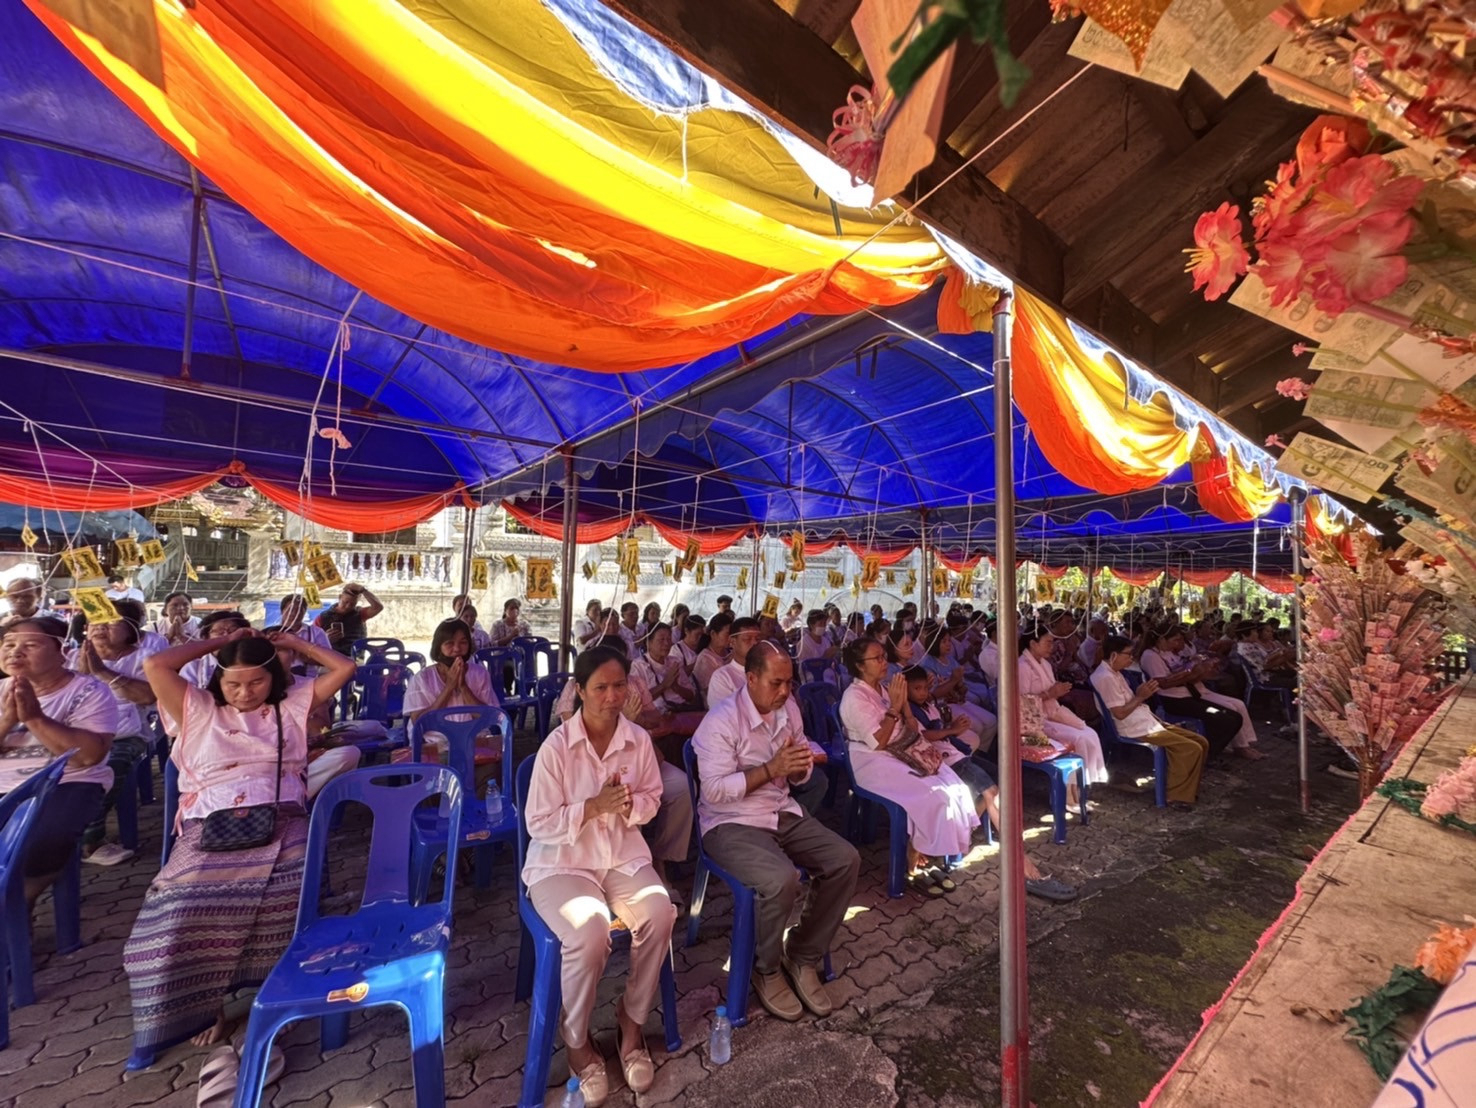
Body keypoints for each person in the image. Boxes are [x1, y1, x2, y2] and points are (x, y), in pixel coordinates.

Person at [127, 627, 356, 1055]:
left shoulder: (289, 708)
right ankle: (202, 1000)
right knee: (183, 899)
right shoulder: (196, 707)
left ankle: (275, 990)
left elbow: (344, 666)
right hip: (209, 826)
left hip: (280, 819)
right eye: (233, 682)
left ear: (273, 678)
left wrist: (289, 646)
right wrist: (222, 644)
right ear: (218, 679)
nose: (244, 692)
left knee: (291, 887)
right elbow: (156, 664)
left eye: (256, 681)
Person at [522, 646, 676, 1104]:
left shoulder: (638, 740)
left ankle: (632, 1023)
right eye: (600, 688)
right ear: (580, 691)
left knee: (660, 913)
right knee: (589, 932)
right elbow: (538, 822)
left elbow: (652, 797)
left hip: (621, 856)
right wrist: (591, 808)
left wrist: (631, 806)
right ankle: (577, 1042)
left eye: (619, 686)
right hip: (562, 862)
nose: (611, 697)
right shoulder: (556, 747)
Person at [692, 642, 859, 1019]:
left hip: (780, 810)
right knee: (781, 879)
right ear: (751, 679)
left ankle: (802, 954)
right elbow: (715, 791)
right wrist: (770, 769)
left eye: (789, 683)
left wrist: (799, 768)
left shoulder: (789, 710)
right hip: (728, 821)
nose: (785, 691)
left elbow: (800, 772)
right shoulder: (721, 720)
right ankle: (764, 968)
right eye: (776, 683)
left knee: (844, 860)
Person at [901, 667, 1075, 901]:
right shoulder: (908, 712)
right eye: (916, 689)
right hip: (947, 762)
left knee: (1000, 780)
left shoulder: (928, 705)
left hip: (957, 755)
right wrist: (952, 730)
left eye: (925, 687)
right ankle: (1023, 867)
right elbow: (924, 737)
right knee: (992, 792)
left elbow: (939, 726)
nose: (923, 692)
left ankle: (959, 836)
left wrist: (953, 726)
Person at [838, 639, 980, 896]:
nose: (884, 663)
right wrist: (894, 707)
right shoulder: (853, 698)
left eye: (884, 656)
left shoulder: (882, 688)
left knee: (954, 784)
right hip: (871, 760)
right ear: (860, 666)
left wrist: (904, 705)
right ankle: (913, 857)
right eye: (877, 659)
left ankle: (926, 849)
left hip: (901, 749)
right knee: (934, 793)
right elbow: (879, 742)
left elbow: (913, 729)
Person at [0, 616, 117, 910]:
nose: (15, 652)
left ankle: (20, 902)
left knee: (41, 839)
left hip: (68, 782)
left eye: (31, 645)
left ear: (61, 651)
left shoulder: (89, 691)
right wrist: (6, 722)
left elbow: (90, 756)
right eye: (9, 644)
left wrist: (35, 719)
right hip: (5, 783)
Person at [71, 599, 160, 865]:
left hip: (126, 733)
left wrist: (101, 671)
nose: (100, 628)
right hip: (74, 732)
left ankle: (90, 840)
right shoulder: (68, 656)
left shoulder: (146, 658)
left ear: (131, 628)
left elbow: (147, 697)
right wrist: (81, 674)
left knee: (109, 765)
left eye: (110, 621)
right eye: (94, 622)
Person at [1092, 636, 1209, 809]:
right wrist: (1140, 696)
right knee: (1190, 748)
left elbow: (1127, 702)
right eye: (1128, 655)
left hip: (1144, 721)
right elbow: (1120, 713)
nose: (1131, 659)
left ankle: (1186, 788)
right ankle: (1174, 795)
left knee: (1201, 742)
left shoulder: (1115, 673)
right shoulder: (1105, 677)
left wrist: (1139, 693)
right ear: (1114, 655)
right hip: (1133, 728)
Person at [1017, 624, 1107, 808]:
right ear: (1033, 643)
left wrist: (1057, 692)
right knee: (1078, 740)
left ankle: (1080, 791)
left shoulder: (1045, 664)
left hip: (1051, 714)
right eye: (1048, 642)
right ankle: (1068, 796)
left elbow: (1048, 692)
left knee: (1090, 733)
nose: (1052, 647)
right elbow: (1020, 702)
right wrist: (1050, 694)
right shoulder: (1022, 666)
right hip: (1032, 726)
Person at [1140, 627, 1257, 759]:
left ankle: (1216, 749)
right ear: (1161, 639)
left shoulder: (1171, 652)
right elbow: (1163, 684)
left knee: (1235, 712)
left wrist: (1203, 670)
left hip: (1189, 695)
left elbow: (1187, 674)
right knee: (1228, 718)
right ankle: (1207, 753)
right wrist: (1191, 673)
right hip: (1174, 700)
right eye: (1176, 640)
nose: (1179, 643)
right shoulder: (1150, 655)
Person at [405, 618, 500, 722]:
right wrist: (449, 687)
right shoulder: (421, 679)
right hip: (434, 738)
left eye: (463, 642)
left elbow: (489, 717)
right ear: (439, 647)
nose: (457, 649)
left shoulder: (480, 674)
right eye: (450, 643)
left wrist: (463, 687)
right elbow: (418, 722)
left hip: (475, 736)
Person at [632, 623, 702, 712]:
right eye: (661, 640)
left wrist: (676, 687)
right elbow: (637, 701)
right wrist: (664, 685)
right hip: (657, 715)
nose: (666, 643)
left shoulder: (674, 662)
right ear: (649, 642)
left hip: (682, 711)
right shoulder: (638, 666)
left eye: (669, 639)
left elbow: (691, 696)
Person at [705, 616, 762, 706]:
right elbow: (723, 716)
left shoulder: (769, 672)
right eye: (747, 639)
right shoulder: (722, 678)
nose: (755, 643)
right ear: (732, 642)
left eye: (758, 639)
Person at [313, 583, 384, 655]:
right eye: (345, 602)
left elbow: (378, 607)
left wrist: (363, 590)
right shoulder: (322, 618)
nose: (347, 606)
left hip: (354, 658)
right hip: (330, 658)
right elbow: (311, 641)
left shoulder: (360, 614)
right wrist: (325, 639)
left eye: (352, 604)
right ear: (340, 597)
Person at [277, 594, 334, 676]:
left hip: (308, 681)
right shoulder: (272, 633)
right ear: (282, 611)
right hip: (278, 680)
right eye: (290, 609)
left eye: (299, 610)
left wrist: (301, 654)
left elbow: (329, 660)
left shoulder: (316, 632)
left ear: (304, 612)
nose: (295, 613)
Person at [694, 612, 734, 701]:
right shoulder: (705, 659)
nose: (731, 638)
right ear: (713, 634)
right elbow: (710, 691)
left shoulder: (730, 653)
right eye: (727, 634)